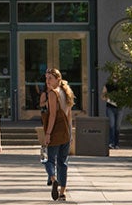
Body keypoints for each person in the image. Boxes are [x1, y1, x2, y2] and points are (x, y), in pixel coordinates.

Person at [42, 67, 75, 201]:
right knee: (63, 162)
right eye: (46, 78)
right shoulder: (66, 92)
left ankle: (53, 178)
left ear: (58, 79)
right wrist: (71, 133)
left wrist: (48, 133)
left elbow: (53, 115)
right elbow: (69, 115)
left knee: (49, 160)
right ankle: (62, 192)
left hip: (56, 131)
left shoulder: (52, 93)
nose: (47, 81)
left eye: (50, 78)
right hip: (66, 131)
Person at [102, 79, 121, 149]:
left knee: (117, 127)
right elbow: (103, 96)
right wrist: (108, 98)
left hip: (120, 107)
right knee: (111, 125)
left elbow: (126, 94)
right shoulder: (108, 85)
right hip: (110, 107)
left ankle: (116, 143)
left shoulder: (122, 85)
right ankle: (111, 143)